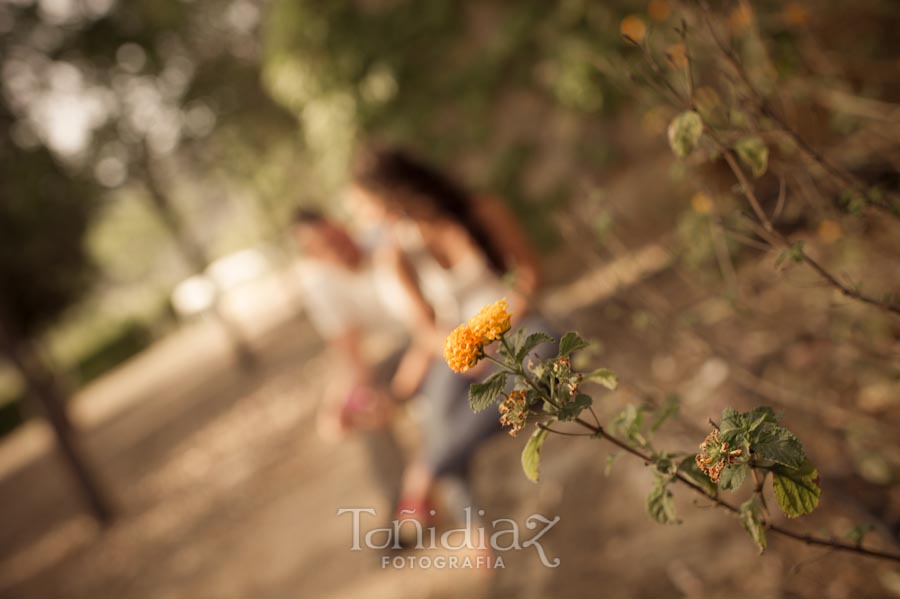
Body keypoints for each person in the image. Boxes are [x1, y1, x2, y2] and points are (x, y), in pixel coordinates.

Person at [346, 146, 552, 532]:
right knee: (437, 411)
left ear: (390, 193)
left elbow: (529, 276)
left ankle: (424, 473)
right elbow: (424, 328)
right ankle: (476, 529)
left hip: (518, 326)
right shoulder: (398, 254)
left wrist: (491, 330)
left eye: (364, 206)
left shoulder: (479, 212)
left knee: (542, 357)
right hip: (459, 348)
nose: (363, 220)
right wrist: (467, 348)